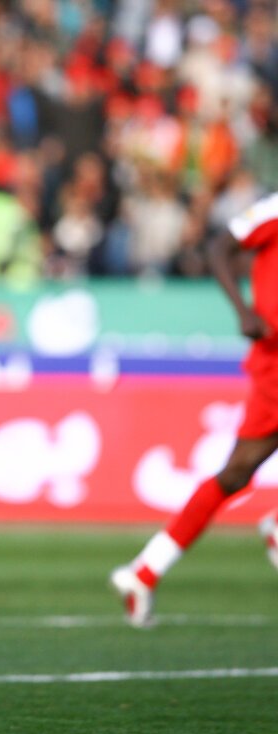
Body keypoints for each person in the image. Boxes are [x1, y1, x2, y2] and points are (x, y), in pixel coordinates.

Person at [112, 191, 278, 628]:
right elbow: (220, 246)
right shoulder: (274, 211)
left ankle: (145, 571)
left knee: (237, 472)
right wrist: (243, 310)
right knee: (237, 470)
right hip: (274, 359)